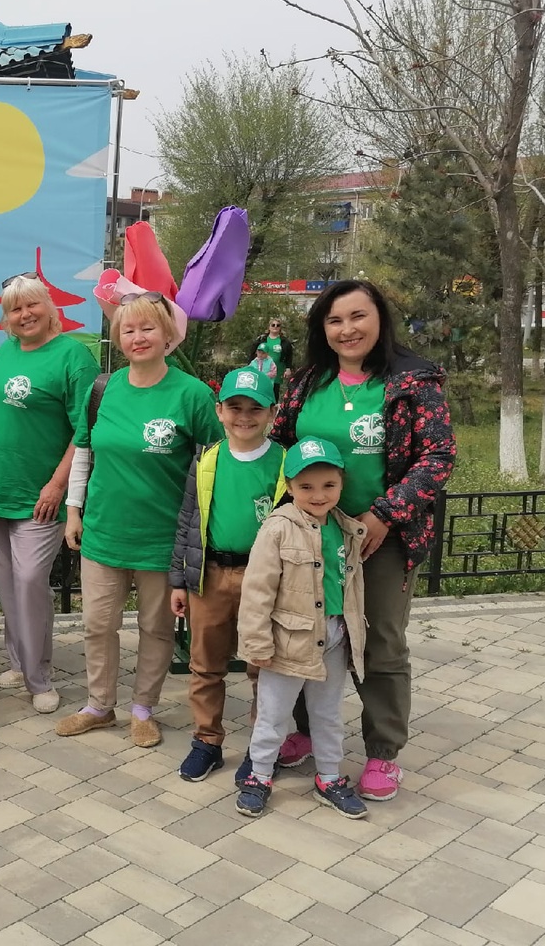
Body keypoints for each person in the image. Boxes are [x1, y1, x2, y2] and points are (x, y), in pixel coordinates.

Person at [271, 279, 455, 801]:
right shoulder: (306, 381)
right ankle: (307, 731)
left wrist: (385, 514)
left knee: (380, 642)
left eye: (358, 316)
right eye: (334, 320)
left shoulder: (413, 381)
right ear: (322, 328)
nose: (347, 329)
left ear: (379, 320)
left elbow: (437, 456)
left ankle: (382, 751)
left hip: (382, 538)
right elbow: (281, 444)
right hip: (311, 535)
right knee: (307, 631)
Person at [55, 293, 221, 743]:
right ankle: (99, 705)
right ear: (118, 338)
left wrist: (200, 534)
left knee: (156, 628)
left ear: (168, 335)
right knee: (97, 624)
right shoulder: (102, 389)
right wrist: (73, 511)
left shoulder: (193, 394)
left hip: (163, 537)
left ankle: (143, 708)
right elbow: (84, 452)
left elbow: (213, 464)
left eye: (148, 327)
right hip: (103, 531)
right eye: (128, 329)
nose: (138, 337)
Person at [0, 273, 98, 714]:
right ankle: (18, 660)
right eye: (15, 309)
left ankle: (39, 677)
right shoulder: (5, 352)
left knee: (29, 583)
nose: (24, 314)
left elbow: (85, 429)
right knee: (8, 584)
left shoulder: (73, 356)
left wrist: (59, 484)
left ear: (50, 307)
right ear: (6, 318)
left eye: (32, 305)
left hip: (40, 495)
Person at [235, 437, 369, 819]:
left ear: (341, 483)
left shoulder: (345, 527)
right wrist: (257, 642)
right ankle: (260, 775)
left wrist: (356, 634)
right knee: (273, 714)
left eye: (328, 485)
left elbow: (352, 586)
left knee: (328, 714)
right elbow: (257, 589)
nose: (318, 495)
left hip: (335, 636)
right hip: (287, 641)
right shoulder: (278, 528)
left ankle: (329, 777)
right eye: (306, 486)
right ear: (290, 486)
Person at [168, 366, 285, 779]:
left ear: (273, 413)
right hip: (212, 575)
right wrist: (178, 580)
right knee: (205, 665)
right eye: (235, 407)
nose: (244, 417)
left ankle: (261, 747)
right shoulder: (208, 459)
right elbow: (188, 520)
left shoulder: (284, 463)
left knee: (263, 667)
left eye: (256, 408)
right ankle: (207, 740)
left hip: (265, 581)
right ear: (219, 411)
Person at [250, 317, 294, 382]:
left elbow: (289, 356)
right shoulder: (261, 339)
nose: (275, 327)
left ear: (280, 328)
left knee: (275, 387)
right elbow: (252, 353)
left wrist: (288, 368)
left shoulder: (285, 341)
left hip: (278, 370)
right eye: (273, 325)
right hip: (261, 370)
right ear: (269, 327)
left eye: (278, 325)